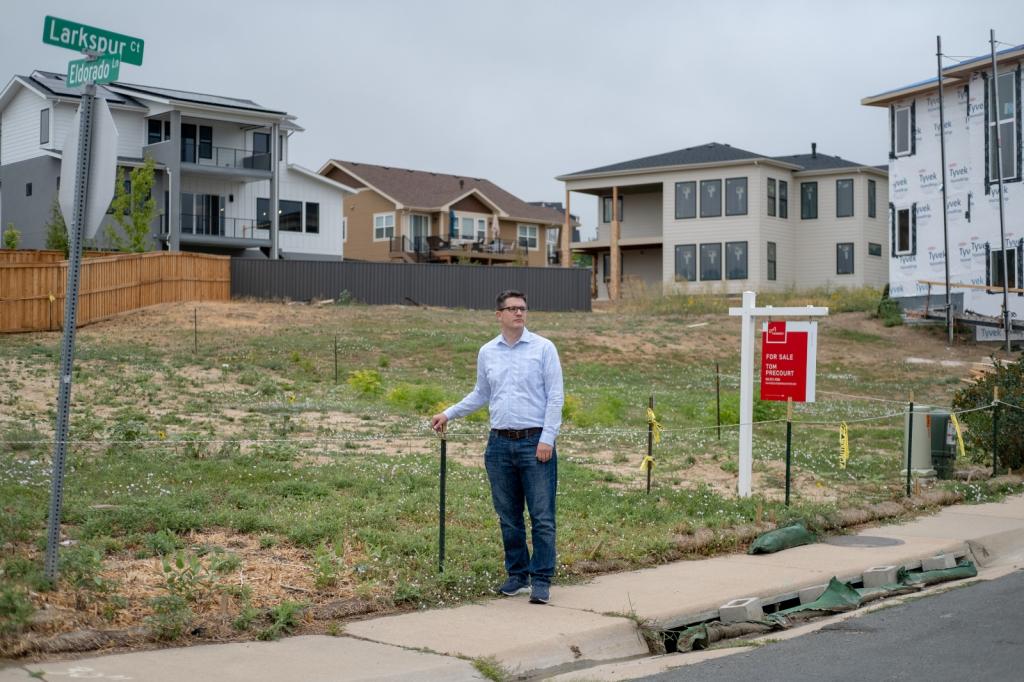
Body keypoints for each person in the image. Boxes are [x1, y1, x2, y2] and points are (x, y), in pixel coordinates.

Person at [431, 289, 564, 604]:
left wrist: (548, 438)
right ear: (499, 315)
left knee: (542, 515)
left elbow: (556, 397)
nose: (519, 313)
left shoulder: (544, 349)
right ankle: (517, 575)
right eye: (512, 308)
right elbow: (480, 393)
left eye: (522, 308)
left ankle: (541, 578)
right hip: (500, 445)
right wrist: (448, 412)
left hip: (535, 443)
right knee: (508, 516)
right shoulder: (487, 352)